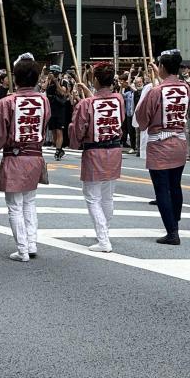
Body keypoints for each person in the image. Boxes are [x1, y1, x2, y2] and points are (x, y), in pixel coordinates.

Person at [0, 54, 50, 262]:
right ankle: (31, 244)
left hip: (15, 156)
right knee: (29, 202)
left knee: (14, 204)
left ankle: (22, 249)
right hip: (35, 155)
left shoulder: (7, 102)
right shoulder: (43, 100)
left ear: (15, 78)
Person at [135, 50, 190, 246]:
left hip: (160, 142)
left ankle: (172, 231)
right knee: (175, 185)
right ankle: (174, 222)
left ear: (163, 67)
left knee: (162, 188)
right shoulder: (186, 88)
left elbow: (142, 119)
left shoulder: (156, 91)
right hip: (179, 141)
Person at [68, 61, 125, 252]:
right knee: (108, 196)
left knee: (92, 197)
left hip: (94, 150)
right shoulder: (118, 99)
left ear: (96, 79)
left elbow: (78, 129)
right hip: (115, 149)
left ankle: (103, 239)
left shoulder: (86, 103)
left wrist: (75, 140)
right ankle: (105, 232)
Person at [45, 65, 70, 160]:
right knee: (54, 131)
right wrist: (48, 79)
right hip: (51, 108)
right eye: (51, 72)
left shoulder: (63, 82)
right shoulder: (48, 82)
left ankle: (58, 151)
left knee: (59, 131)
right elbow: (43, 88)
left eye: (55, 72)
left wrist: (56, 81)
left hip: (60, 108)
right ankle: (59, 149)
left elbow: (63, 93)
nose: (53, 74)